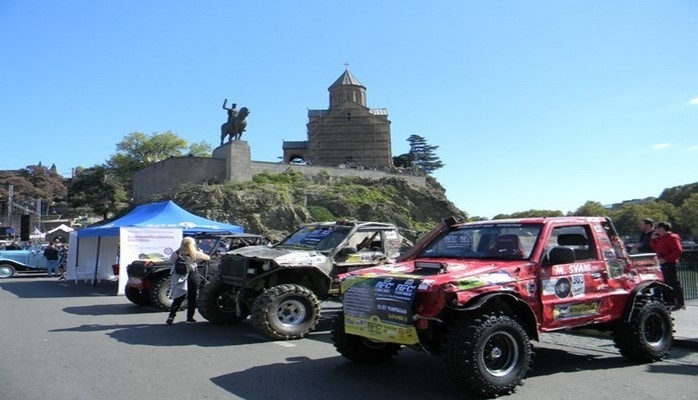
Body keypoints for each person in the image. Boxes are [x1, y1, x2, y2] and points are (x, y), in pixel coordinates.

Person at [166, 237, 210, 325]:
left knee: (178, 297)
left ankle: (171, 316)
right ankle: (190, 317)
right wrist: (201, 252)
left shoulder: (176, 254)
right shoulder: (194, 253)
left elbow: (172, 261)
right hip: (193, 275)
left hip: (180, 277)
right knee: (192, 297)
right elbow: (207, 258)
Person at [650, 221, 685, 311]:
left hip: (669, 263)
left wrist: (665, 259)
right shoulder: (661, 238)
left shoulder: (672, 237)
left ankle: (679, 302)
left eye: (657, 228)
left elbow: (678, 250)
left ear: (662, 228)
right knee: (665, 283)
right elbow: (655, 248)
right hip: (662, 263)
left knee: (673, 282)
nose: (656, 230)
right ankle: (669, 301)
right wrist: (653, 239)